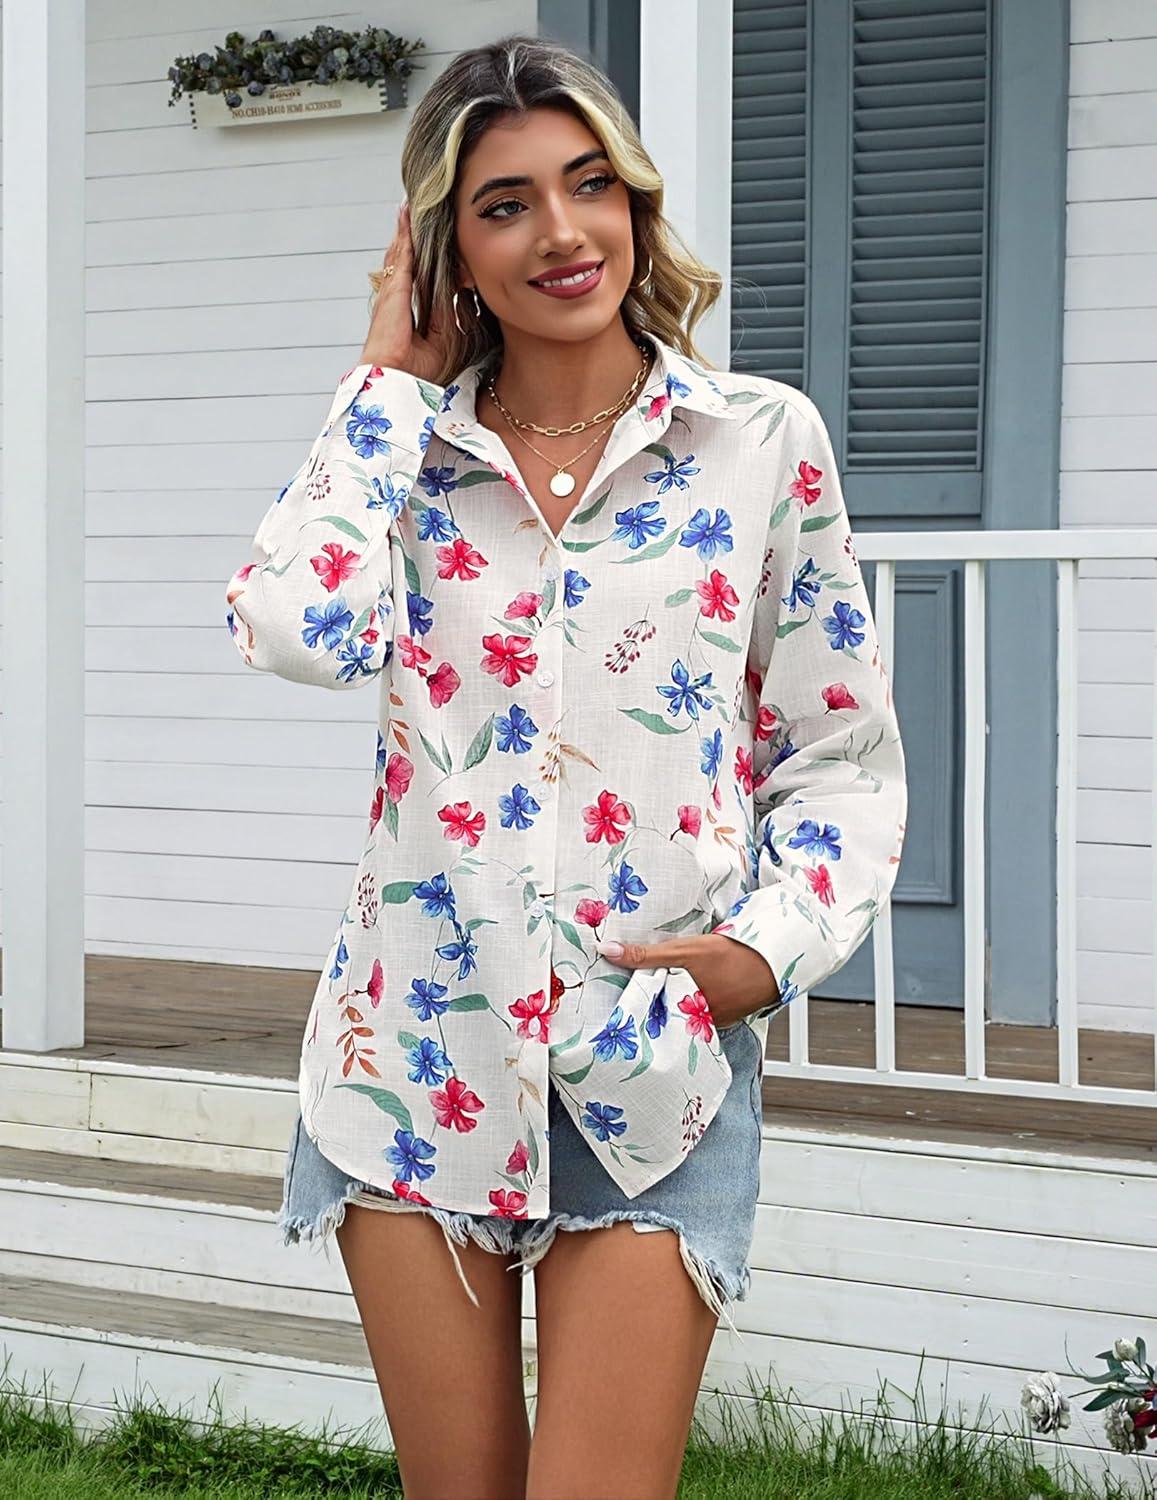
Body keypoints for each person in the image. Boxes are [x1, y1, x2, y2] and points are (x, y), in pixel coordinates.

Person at [225, 33, 907, 1500]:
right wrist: (380, 384)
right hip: (417, 1058)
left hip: (652, 1063)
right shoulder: (403, 453)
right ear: (447, 250)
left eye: (590, 184)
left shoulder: (758, 441)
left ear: (635, 203)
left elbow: (842, 754)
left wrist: (764, 953)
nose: (560, 231)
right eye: (505, 203)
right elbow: (294, 630)